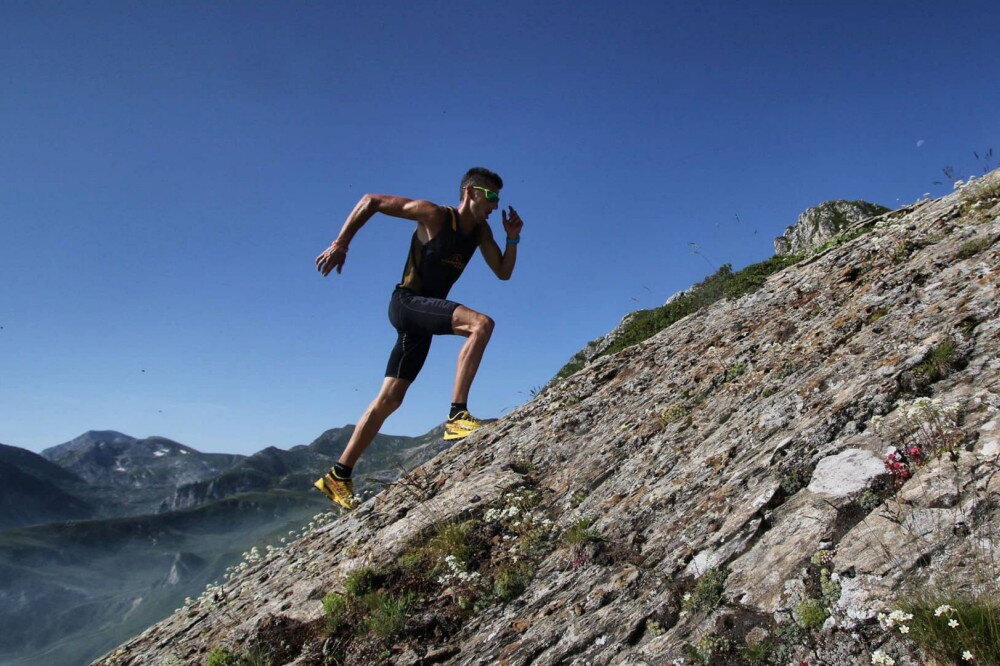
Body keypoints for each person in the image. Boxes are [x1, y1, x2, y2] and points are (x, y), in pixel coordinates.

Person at [313, 167, 523, 509]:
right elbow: (371, 200)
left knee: (390, 399)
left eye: (498, 198)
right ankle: (457, 415)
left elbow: (503, 272)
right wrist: (341, 244)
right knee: (480, 324)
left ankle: (339, 475)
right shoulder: (434, 214)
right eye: (491, 196)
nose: (496, 205)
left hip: (422, 318)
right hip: (407, 303)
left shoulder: (481, 232)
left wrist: (512, 238)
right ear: (471, 192)